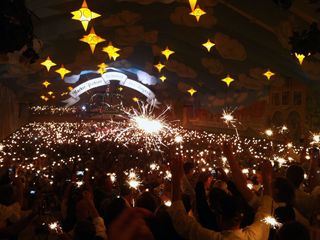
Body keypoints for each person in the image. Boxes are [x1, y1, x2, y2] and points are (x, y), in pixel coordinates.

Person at [167, 142, 274, 240]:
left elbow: (180, 219)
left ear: (219, 218)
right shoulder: (257, 235)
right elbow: (266, 206)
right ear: (242, 215)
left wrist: (176, 177)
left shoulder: (209, 237)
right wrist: (267, 178)